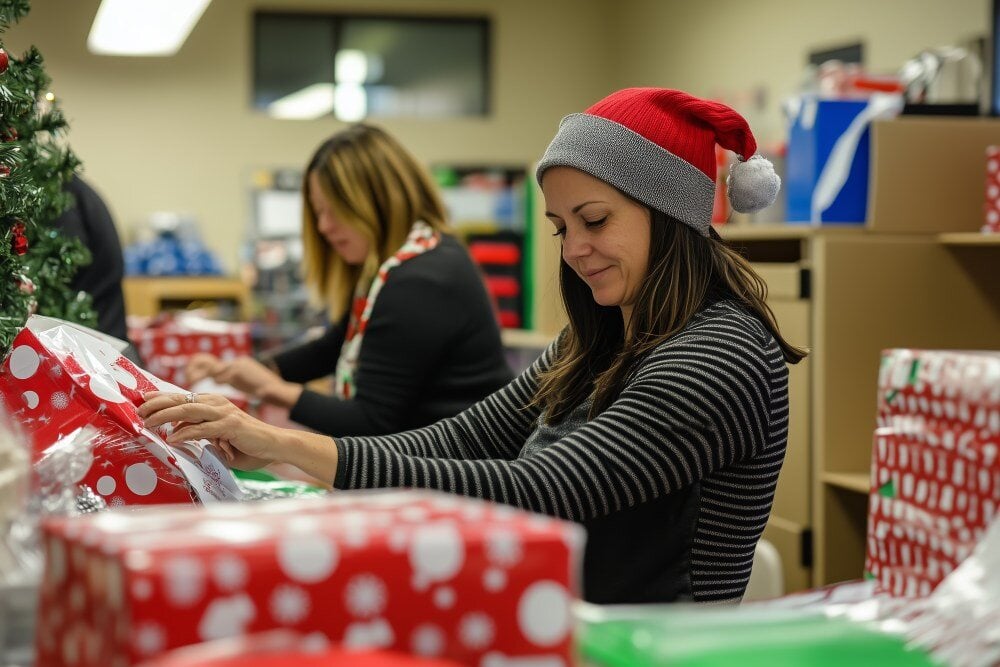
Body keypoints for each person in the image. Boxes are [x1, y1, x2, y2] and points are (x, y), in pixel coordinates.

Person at [142, 88, 807, 604]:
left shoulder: (723, 353)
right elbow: (461, 438)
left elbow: (543, 489)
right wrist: (276, 440)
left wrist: (288, 445)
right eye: (560, 228)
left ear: (670, 214)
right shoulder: (600, 338)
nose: (574, 249)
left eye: (595, 220)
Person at [185, 124, 513, 436]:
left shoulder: (421, 280)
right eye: (318, 212)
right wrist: (243, 370)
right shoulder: (400, 263)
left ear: (377, 203)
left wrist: (271, 388)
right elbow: (334, 346)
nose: (324, 227)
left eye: (333, 211)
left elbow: (371, 421)